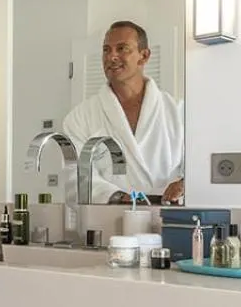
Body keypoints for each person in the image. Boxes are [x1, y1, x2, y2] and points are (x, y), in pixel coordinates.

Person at [61, 20, 185, 204]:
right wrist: (118, 198)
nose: (112, 57)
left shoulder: (178, 111)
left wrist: (184, 184)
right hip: (110, 220)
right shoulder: (80, 118)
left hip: (169, 220)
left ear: (143, 56)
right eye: (106, 50)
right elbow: (75, 178)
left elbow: (200, 169)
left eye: (122, 49)